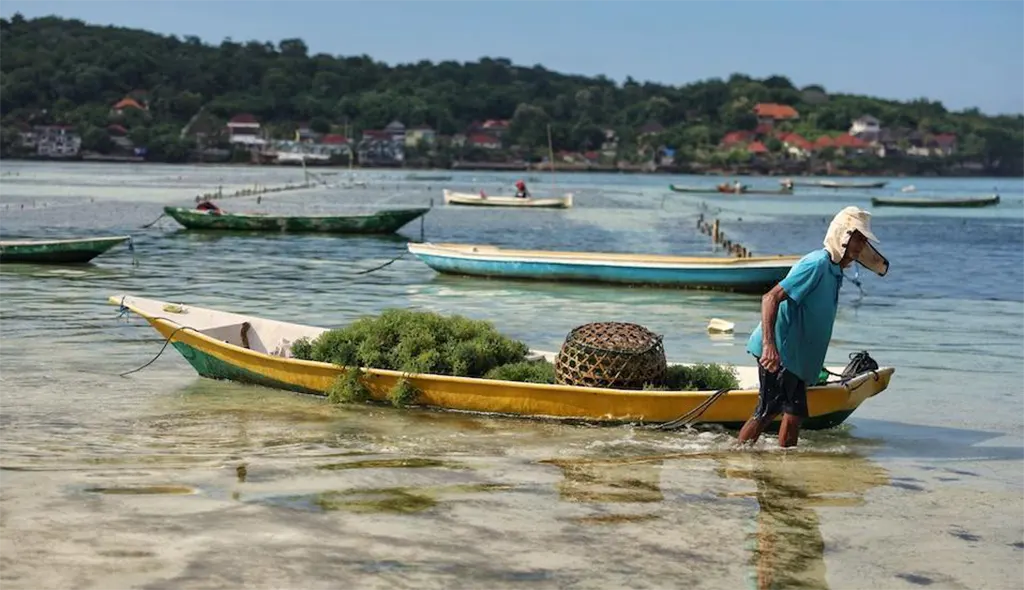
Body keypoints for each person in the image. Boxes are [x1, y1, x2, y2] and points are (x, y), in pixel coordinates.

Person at [738, 206, 889, 448]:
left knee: (794, 415)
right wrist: (769, 348)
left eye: (863, 240)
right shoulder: (817, 264)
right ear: (842, 235)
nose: (860, 246)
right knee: (767, 411)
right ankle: (736, 458)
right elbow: (770, 298)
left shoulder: (835, 271)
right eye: (856, 238)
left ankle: (787, 465)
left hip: (797, 359)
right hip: (780, 353)